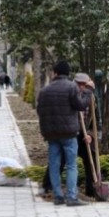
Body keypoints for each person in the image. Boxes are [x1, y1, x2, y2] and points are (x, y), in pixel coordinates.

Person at [37, 61, 94, 206]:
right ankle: (71, 197)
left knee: (54, 165)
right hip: (69, 134)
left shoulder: (44, 91)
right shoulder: (71, 87)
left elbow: (39, 112)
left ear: (55, 73)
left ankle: (58, 196)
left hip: (51, 134)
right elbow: (81, 105)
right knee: (71, 164)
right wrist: (88, 92)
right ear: (68, 74)